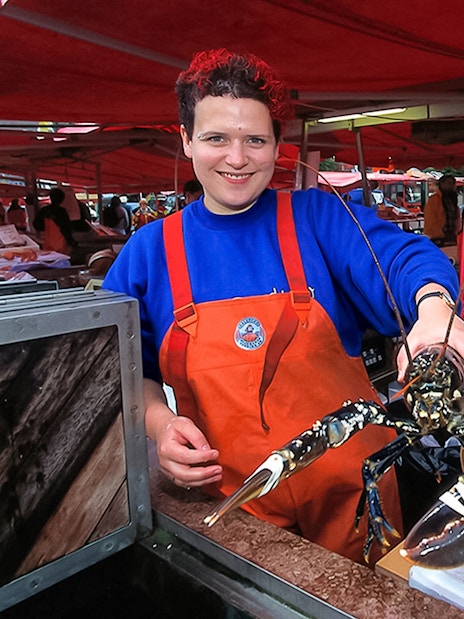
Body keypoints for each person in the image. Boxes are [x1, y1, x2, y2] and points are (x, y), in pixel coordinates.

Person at [103, 49, 464, 565]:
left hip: (354, 499)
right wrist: (160, 425)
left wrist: (433, 313)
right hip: (232, 504)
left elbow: (406, 257)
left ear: (277, 146)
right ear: (186, 141)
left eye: (255, 139)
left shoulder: (319, 219)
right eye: (215, 139)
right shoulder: (148, 252)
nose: (236, 157)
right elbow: (120, 366)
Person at [33, 187, 76, 254]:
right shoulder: (61, 212)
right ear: (62, 199)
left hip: (46, 243)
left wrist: (45, 229)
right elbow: (66, 229)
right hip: (60, 245)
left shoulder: (44, 210)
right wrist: (71, 243)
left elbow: (36, 224)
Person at [423, 175, 461, 246]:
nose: (451, 186)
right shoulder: (434, 199)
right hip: (438, 236)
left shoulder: (453, 199)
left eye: (453, 183)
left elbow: (456, 217)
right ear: (442, 184)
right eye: (449, 183)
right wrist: (440, 234)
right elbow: (431, 219)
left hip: (451, 235)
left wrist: (456, 232)